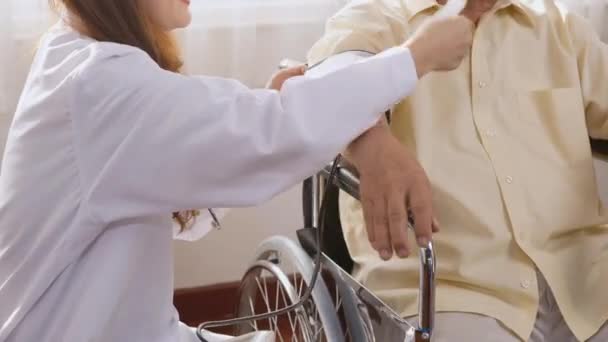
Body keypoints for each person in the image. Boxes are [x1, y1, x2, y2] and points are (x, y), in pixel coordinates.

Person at [0, 0, 477, 341]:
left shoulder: (80, 58)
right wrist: (415, 57)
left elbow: (221, 143)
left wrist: (270, 98)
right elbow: (274, 130)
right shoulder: (101, 84)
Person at [308, 0, 608, 341]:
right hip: (450, 291)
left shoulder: (559, 26)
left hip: (586, 277)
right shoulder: (376, 18)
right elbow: (327, 88)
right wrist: (370, 140)